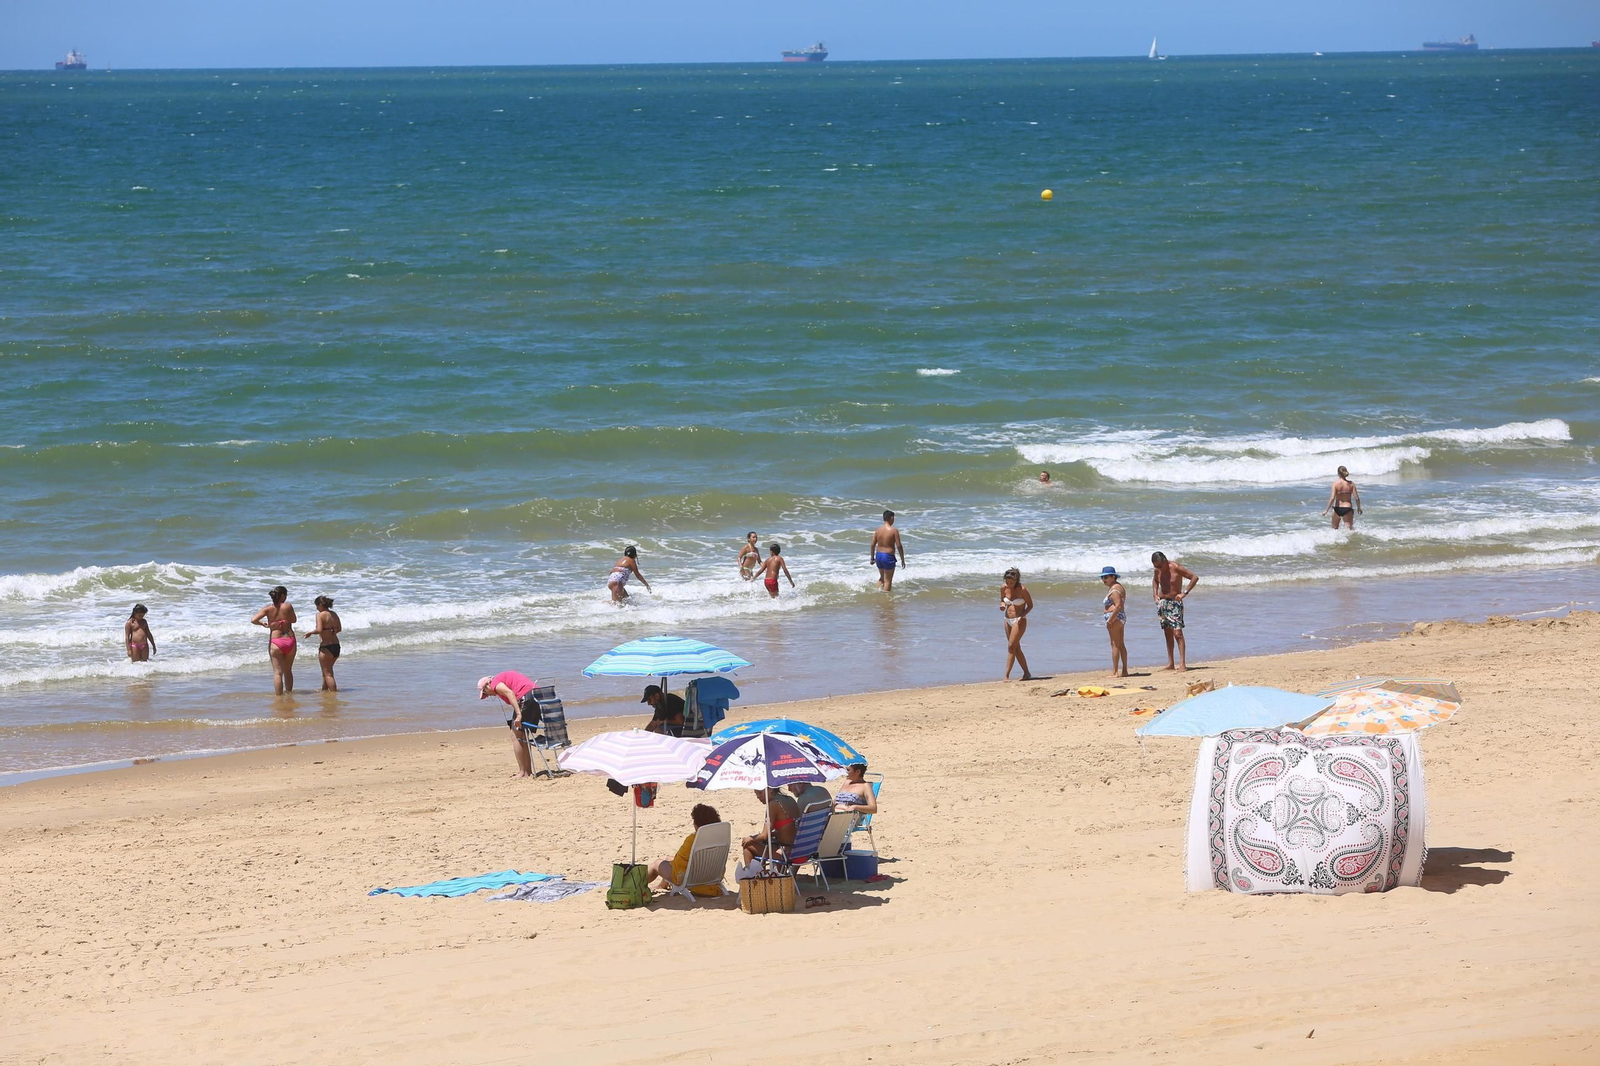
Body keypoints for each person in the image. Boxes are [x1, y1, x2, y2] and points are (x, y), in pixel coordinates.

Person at [647, 803, 725, 898]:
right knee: (668, 858)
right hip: (711, 875)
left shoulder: (693, 839)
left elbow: (679, 861)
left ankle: (636, 884)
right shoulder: (720, 838)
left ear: (697, 824)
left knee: (657, 864)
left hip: (691, 878)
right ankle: (662, 885)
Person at [479, 670, 541, 778]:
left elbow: (511, 693)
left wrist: (519, 715)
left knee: (515, 736)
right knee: (523, 735)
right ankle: (527, 771)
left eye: (485, 693)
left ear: (487, 685)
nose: (487, 695)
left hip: (527, 696)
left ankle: (522, 772)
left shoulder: (495, 684)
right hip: (536, 694)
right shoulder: (500, 681)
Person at [1150, 551, 1199, 671]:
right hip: (1163, 603)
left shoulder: (1176, 568)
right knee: (1167, 633)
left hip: (1174, 603)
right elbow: (1155, 580)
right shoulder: (1157, 570)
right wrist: (1155, 594)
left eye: (1160, 566)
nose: (1158, 568)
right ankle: (1170, 663)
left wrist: (1184, 593)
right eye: (1156, 566)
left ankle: (1182, 663)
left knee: (1178, 634)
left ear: (1165, 561)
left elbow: (1194, 577)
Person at [250, 586, 297, 694]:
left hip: (276, 642)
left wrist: (263, 624)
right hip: (289, 639)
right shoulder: (288, 606)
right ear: (283, 596)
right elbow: (294, 620)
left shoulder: (268, 608)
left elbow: (253, 620)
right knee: (288, 670)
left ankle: (279, 698)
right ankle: (289, 694)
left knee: (277, 673)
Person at [742, 787, 800, 865]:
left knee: (748, 845)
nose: (758, 796)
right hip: (799, 850)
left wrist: (750, 838)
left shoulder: (773, 804)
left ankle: (755, 876)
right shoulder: (790, 799)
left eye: (760, 792)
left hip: (785, 853)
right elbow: (790, 827)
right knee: (759, 843)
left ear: (771, 789)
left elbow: (764, 835)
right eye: (756, 794)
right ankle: (760, 874)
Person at [999, 567, 1034, 681]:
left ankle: (1006, 676)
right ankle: (1027, 673)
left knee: (1011, 647)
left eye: (1011, 583)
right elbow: (1002, 600)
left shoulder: (1022, 589)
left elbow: (1030, 605)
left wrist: (1022, 615)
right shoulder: (1003, 588)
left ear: (1016, 580)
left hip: (1019, 620)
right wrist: (1003, 605)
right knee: (1016, 648)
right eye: (1007, 582)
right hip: (1007, 619)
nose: (1009, 585)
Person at [303, 595, 342, 691]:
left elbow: (319, 629)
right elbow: (339, 629)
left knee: (328, 674)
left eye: (317, 605)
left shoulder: (319, 615)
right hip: (336, 646)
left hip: (326, 647)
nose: (316, 608)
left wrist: (311, 633)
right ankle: (324, 691)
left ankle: (333, 696)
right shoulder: (334, 614)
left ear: (320, 605)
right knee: (326, 672)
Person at [1098, 566, 1129, 678]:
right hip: (1118, 618)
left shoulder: (1115, 589)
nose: (1104, 580)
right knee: (1120, 644)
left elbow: (1118, 606)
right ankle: (1124, 670)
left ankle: (1115, 672)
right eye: (1102, 577)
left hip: (1115, 618)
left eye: (1106, 577)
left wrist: (1110, 620)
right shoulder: (1117, 587)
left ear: (1113, 576)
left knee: (1115, 644)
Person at [870, 509, 906, 592]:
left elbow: (872, 545)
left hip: (878, 555)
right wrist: (902, 559)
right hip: (888, 556)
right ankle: (886, 600)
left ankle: (875, 592)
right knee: (888, 581)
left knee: (882, 578)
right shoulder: (893, 530)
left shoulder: (878, 530)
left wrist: (872, 558)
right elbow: (899, 546)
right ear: (892, 518)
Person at [1323, 465, 1363, 530]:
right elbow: (1357, 498)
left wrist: (1326, 510)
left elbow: (1332, 498)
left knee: (1334, 529)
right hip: (1347, 508)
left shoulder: (1335, 484)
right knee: (1348, 531)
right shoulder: (1351, 484)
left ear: (1338, 473)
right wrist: (1359, 508)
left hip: (1337, 508)